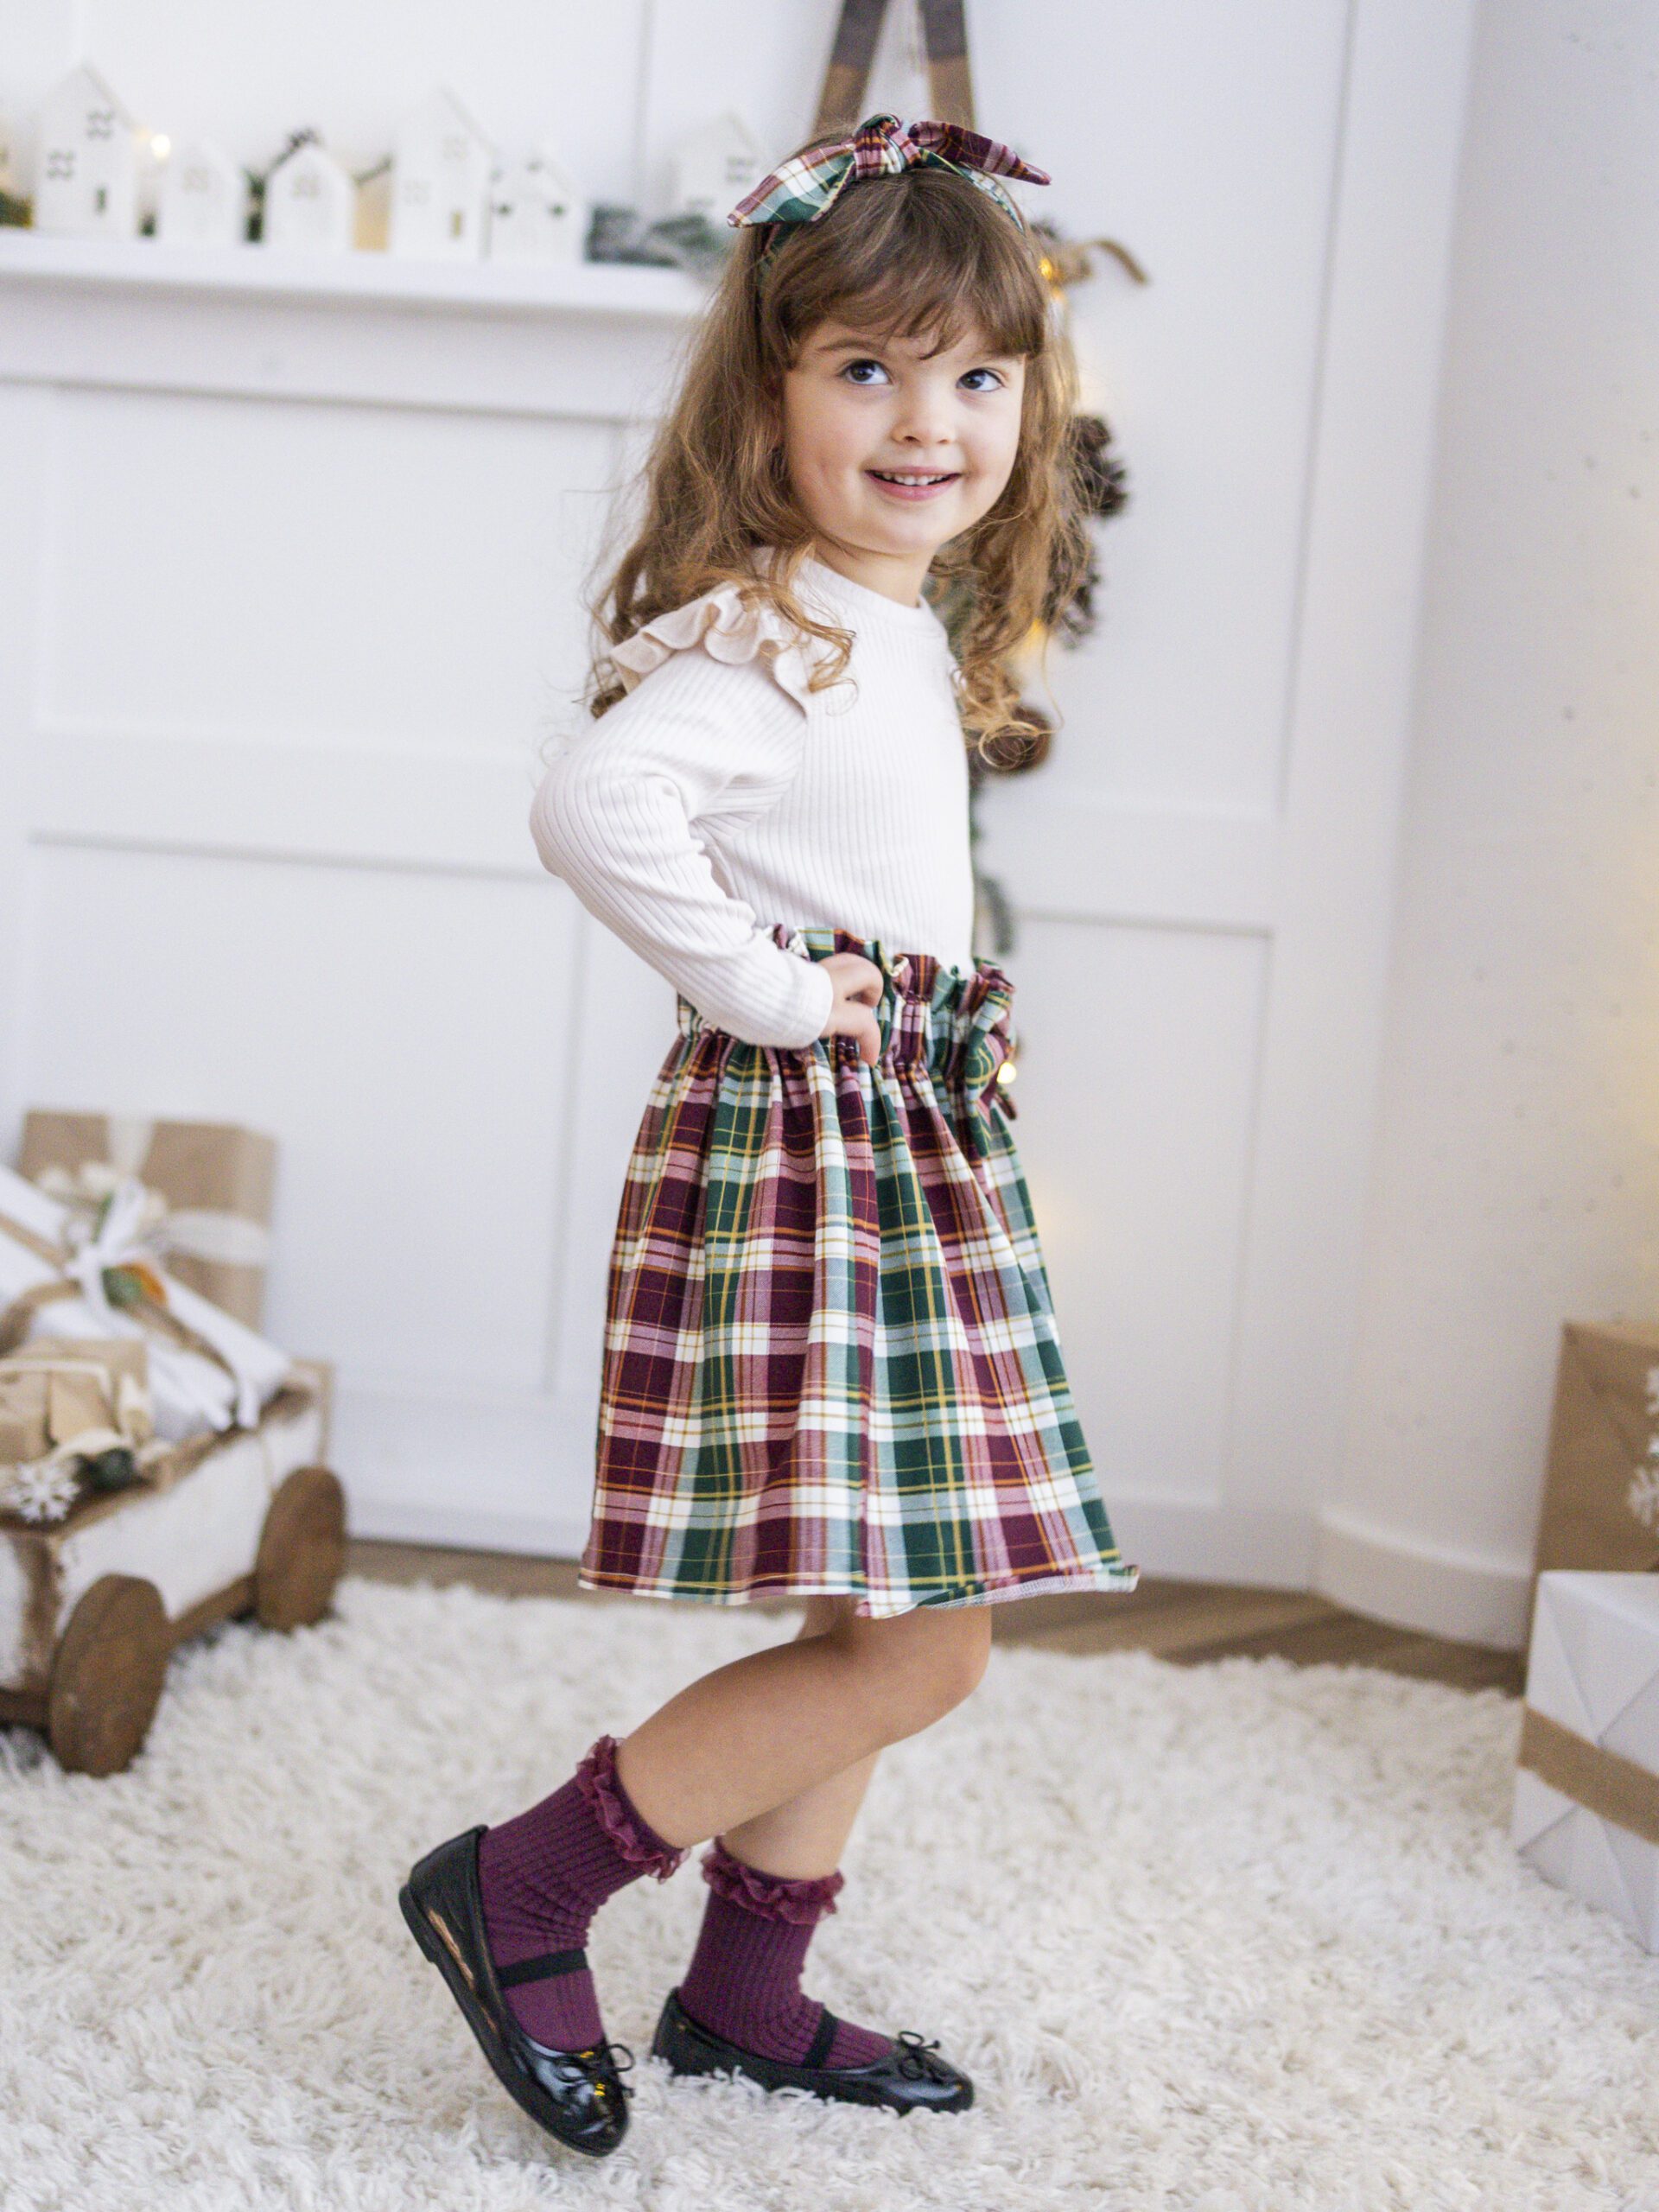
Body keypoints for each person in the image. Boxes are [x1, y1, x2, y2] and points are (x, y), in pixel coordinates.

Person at [399, 111, 1139, 2161]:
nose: (929, 421)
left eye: (976, 375)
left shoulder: (883, 624)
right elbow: (592, 805)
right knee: (929, 1643)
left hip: (895, 1155)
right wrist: (774, 990)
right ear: (771, 394)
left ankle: (745, 1996)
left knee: (878, 1608)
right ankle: (526, 1883)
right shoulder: (779, 632)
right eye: (868, 368)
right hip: (826, 1166)